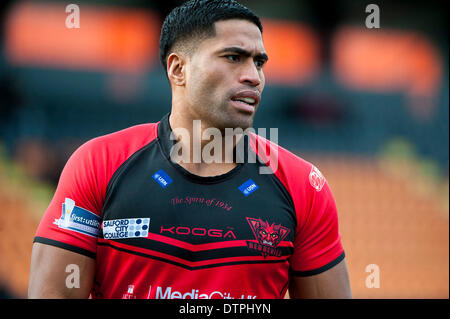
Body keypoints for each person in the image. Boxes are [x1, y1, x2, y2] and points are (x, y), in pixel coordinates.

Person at [28, 0, 352, 299]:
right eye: (233, 57)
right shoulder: (100, 163)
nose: (253, 76)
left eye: (259, 63)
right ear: (177, 69)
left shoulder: (303, 185)